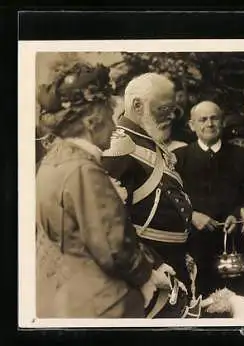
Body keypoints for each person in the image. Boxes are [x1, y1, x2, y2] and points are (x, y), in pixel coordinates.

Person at [36, 63, 175, 318]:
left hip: (63, 297)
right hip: (104, 304)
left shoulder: (51, 163)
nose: (114, 129)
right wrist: (148, 277)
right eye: (111, 118)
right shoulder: (84, 170)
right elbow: (114, 248)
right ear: (92, 122)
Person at [100, 72, 194, 314]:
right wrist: (152, 265)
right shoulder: (120, 146)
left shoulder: (149, 141)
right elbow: (110, 224)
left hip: (171, 262)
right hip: (148, 272)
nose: (172, 116)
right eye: (164, 109)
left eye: (173, 109)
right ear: (137, 105)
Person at [173, 100, 244, 299]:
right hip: (195, 246)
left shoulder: (241, 156)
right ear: (192, 125)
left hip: (234, 246)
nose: (209, 124)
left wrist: (237, 215)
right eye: (202, 120)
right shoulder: (179, 158)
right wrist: (192, 215)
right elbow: (170, 199)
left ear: (222, 122)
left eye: (214, 118)